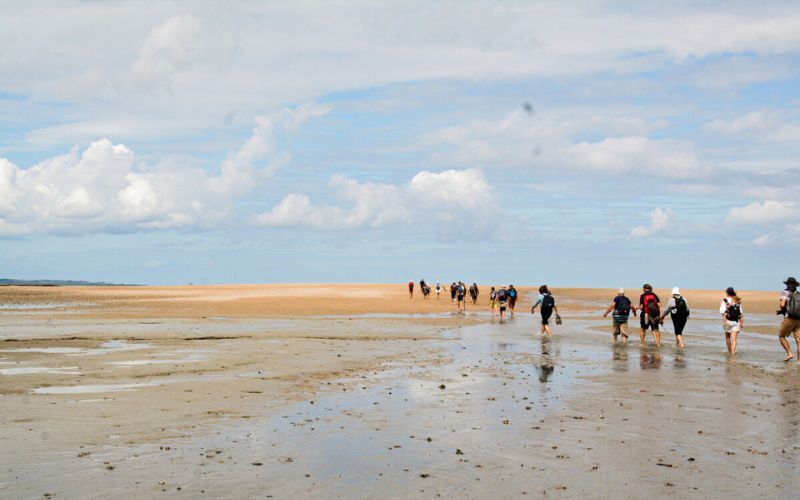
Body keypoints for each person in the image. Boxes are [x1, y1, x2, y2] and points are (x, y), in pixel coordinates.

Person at [777, 277, 800, 362]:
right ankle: (799, 360)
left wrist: (782, 309)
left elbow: (782, 305)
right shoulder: (798, 294)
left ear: (787, 284)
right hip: (799, 319)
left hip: (789, 318)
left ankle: (789, 353)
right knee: (798, 340)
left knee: (781, 336)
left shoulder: (785, 292)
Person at [720, 286, 743, 355]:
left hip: (728, 321)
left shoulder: (724, 301)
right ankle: (733, 353)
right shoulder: (737, 301)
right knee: (734, 339)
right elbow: (741, 312)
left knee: (727, 337)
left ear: (727, 293)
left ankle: (730, 352)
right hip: (736, 322)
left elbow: (721, 311)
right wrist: (741, 322)